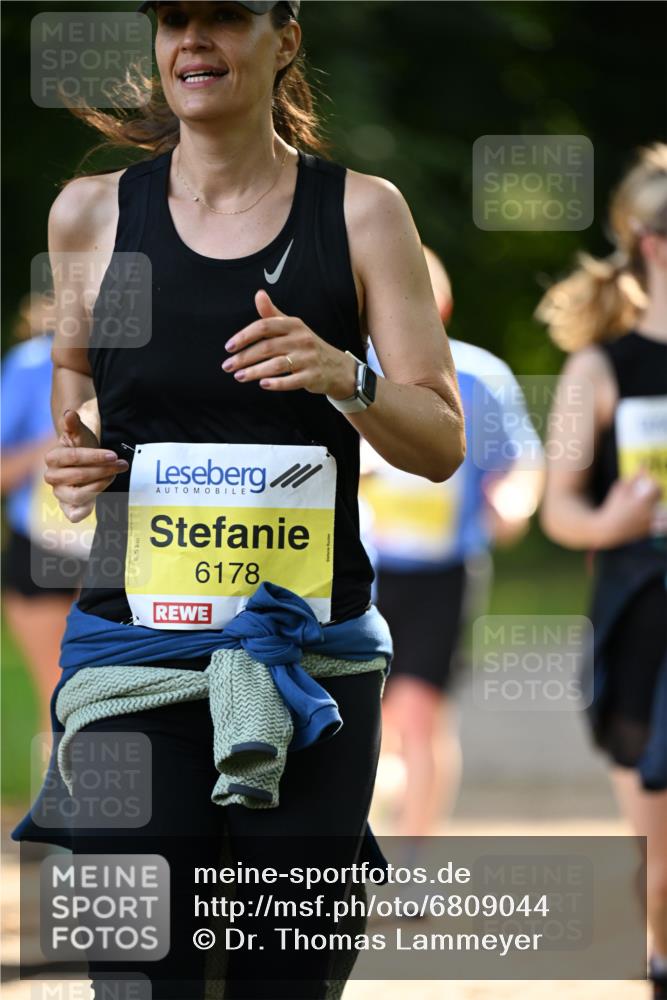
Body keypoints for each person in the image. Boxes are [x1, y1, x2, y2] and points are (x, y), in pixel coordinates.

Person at [13, 3, 465, 999]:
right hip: (133, 653)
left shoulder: (358, 212)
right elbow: (79, 382)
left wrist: (342, 374)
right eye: (173, 20)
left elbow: (439, 440)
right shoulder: (92, 213)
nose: (193, 42)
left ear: (285, 36)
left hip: (307, 660)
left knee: (282, 975)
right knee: (139, 973)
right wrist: (82, 452)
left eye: (223, 17)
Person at [537, 143, 667, 999]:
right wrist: (612, 521)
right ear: (649, 240)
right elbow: (558, 511)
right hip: (644, 623)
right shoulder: (599, 369)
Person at [362, 247, 543, 845]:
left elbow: (519, 465)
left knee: (419, 712)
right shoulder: (342, 370)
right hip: (356, 574)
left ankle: (413, 857)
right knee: (362, 717)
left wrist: (513, 501)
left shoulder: (479, 377)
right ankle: (361, 848)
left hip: (442, 572)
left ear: (440, 306)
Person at [1, 294, 90, 735]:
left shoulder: (145, 358)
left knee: (105, 696)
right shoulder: (31, 365)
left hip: (121, 549)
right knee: (59, 697)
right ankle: (57, 802)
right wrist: (50, 450)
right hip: (44, 547)